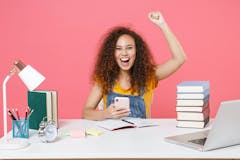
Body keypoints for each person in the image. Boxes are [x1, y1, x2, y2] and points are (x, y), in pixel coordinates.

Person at [82, 11, 186, 120]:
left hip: (141, 136)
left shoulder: (149, 76)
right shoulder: (104, 79)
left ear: (137, 51)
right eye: (118, 48)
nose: (124, 53)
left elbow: (180, 59)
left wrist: (162, 25)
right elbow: (86, 113)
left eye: (129, 47)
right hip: (112, 136)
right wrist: (105, 114)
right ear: (111, 53)